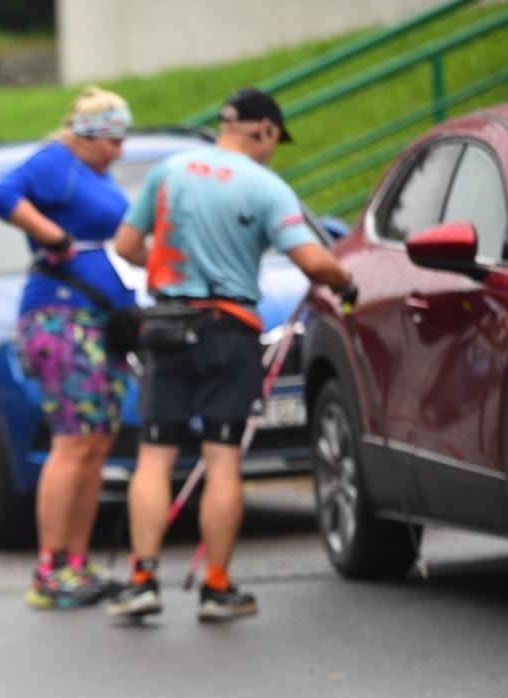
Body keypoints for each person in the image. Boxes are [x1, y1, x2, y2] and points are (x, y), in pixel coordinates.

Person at [111, 87, 353, 622]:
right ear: (264, 130)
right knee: (222, 457)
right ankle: (217, 587)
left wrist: (171, 265)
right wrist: (347, 279)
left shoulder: (169, 171)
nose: (275, 149)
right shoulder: (265, 187)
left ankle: (143, 579)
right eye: (276, 139)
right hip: (228, 331)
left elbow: (126, 246)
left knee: (155, 453)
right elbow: (313, 261)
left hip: (167, 327)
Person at [0, 86, 136, 610]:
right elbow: (1, 195)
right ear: (90, 134)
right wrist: (53, 238)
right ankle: (49, 568)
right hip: (61, 316)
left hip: (99, 320)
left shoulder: (93, 173)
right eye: (114, 139)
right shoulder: (58, 160)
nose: (120, 150)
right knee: (73, 441)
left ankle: (76, 560)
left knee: (95, 442)